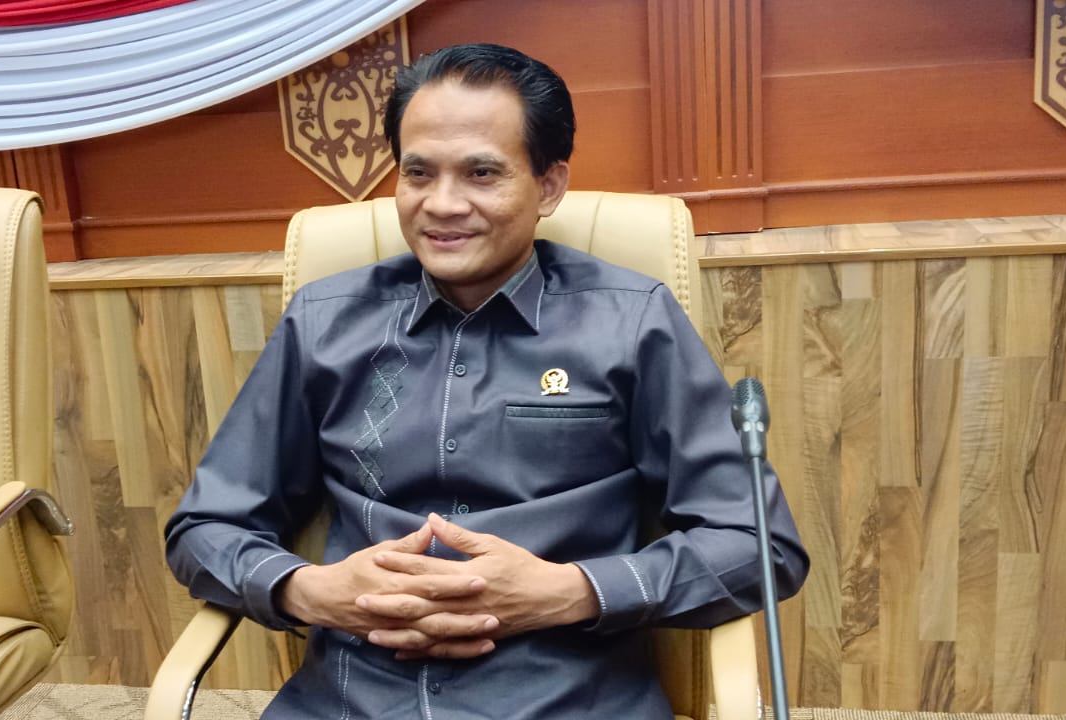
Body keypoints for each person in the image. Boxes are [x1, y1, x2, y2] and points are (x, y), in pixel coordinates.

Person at [165, 43, 807, 719]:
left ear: (548, 186)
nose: (442, 204)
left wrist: (569, 591)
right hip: (352, 701)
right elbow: (206, 525)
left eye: (481, 173)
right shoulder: (323, 323)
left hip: (565, 701)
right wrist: (310, 591)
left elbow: (758, 544)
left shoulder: (630, 322)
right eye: (418, 173)